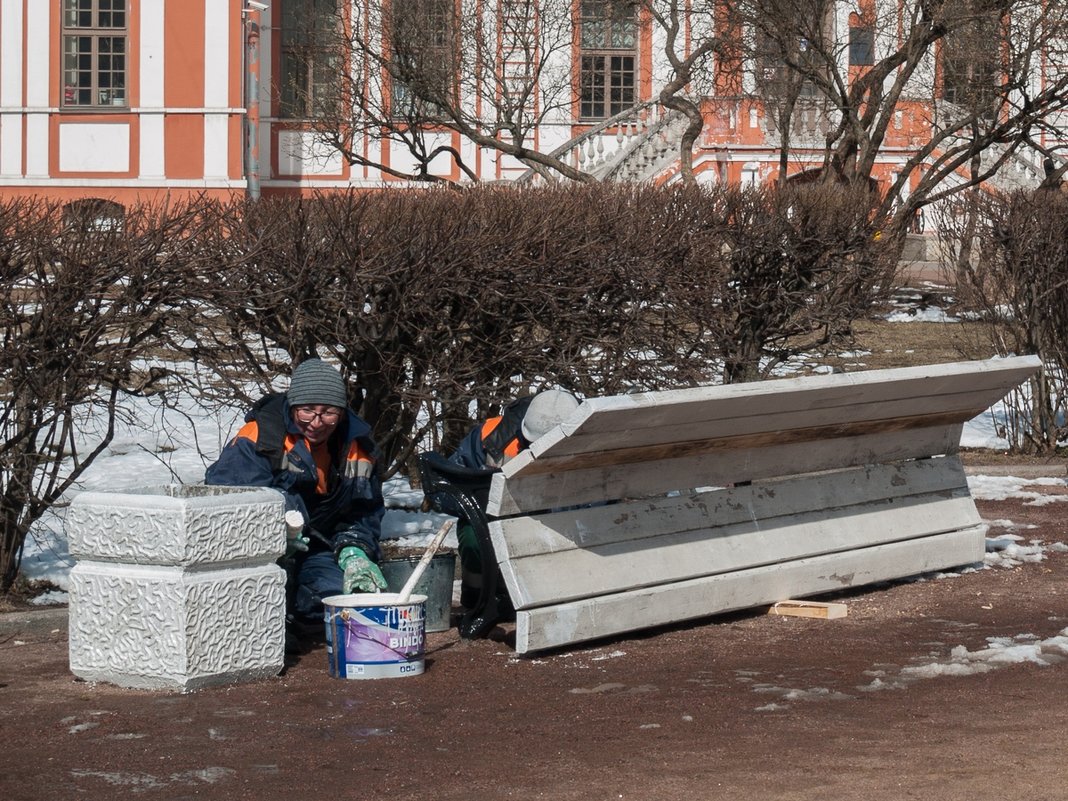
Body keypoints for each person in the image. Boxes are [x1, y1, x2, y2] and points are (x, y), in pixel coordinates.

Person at [205, 358, 387, 641]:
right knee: (259, 611)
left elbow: (364, 511)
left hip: (318, 546)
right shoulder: (259, 436)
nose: (316, 423)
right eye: (307, 411)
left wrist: (356, 549)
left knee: (340, 604)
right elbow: (230, 503)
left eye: (328, 413)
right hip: (262, 552)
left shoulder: (358, 445)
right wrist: (274, 537)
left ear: (341, 412)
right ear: (293, 407)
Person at [445, 389, 580, 610]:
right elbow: (449, 489)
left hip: (556, 526)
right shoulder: (491, 435)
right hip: (494, 519)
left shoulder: (590, 439)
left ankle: (543, 595)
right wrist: (480, 498)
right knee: (472, 533)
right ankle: (479, 597)